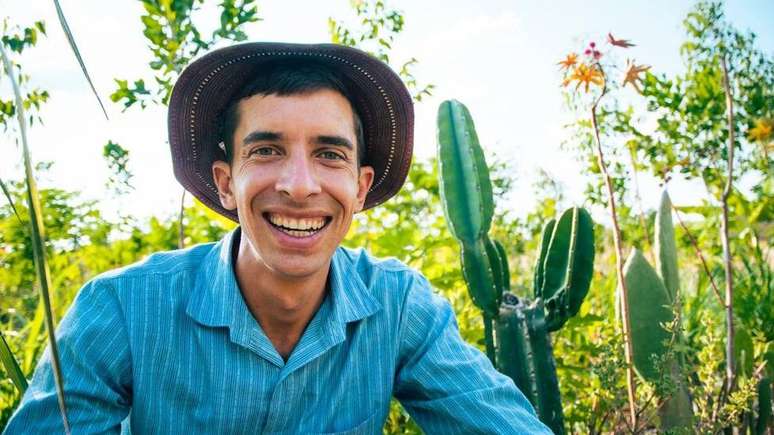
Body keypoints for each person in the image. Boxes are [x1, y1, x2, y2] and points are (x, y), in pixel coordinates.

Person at [4, 43, 551, 434]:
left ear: (360, 188)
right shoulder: (122, 308)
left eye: (329, 154)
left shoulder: (400, 306)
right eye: (266, 151)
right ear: (226, 182)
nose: (298, 185)